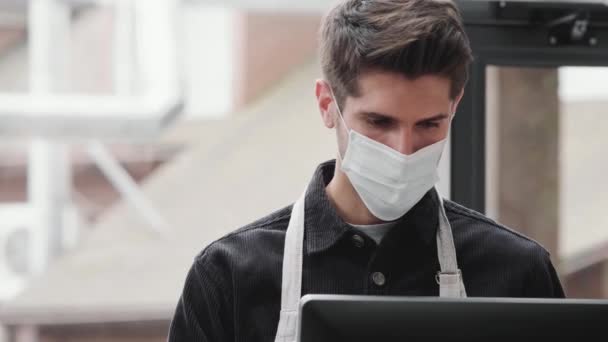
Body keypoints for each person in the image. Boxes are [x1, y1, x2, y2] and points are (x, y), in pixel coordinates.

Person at [167, 0, 565, 341]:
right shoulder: (227, 279)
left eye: (429, 124)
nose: (404, 150)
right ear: (327, 104)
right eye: (379, 122)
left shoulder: (518, 275)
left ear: (455, 107)